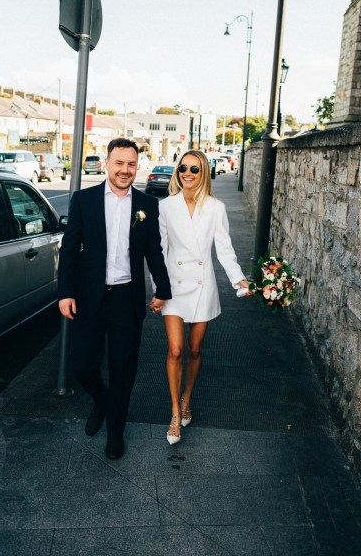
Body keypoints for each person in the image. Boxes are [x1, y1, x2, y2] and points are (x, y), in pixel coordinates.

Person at [58, 138, 171, 459]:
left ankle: (115, 432)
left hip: (126, 300)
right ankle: (102, 400)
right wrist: (65, 291)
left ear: (137, 166)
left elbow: (154, 251)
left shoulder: (148, 205)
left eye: (131, 164)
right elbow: (69, 248)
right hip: (89, 298)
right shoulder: (84, 200)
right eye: (119, 163)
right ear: (107, 163)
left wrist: (162, 290)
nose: (125, 170)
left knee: (123, 369)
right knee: (82, 366)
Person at [158, 149, 251, 444]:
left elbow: (224, 249)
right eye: (183, 167)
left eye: (194, 169)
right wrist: (157, 289)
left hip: (202, 285)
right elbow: (159, 252)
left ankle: (187, 397)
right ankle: (174, 413)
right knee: (175, 350)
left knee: (195, 349)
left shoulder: (216, 208)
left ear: (204, 174)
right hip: (173, 285)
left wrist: (238, 278)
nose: (187, 173)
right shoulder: (165, 207)